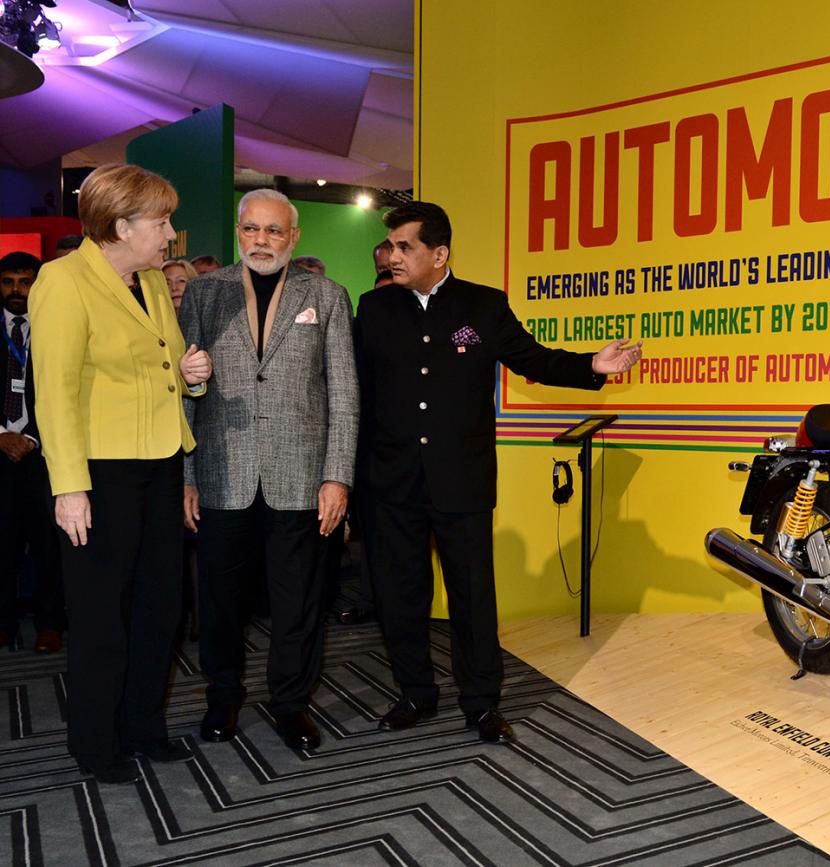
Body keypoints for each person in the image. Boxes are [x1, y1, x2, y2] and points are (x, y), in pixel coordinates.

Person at [353, 201, 641, 743]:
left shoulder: (483, 306)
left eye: (404, 246)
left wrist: (591, 367)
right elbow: (356, 396)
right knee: (400, 595)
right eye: (391, 246)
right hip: (389, 484)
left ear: (439, 254)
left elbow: (532, 359)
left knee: (473, 597)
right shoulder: (373, 309)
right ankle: (415, 692)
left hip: (461, 481)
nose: (393, 255)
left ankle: (481, 702)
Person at [30, 164, 212, 784]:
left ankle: (144, 727)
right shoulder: (62, 280)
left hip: (159, 463)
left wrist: (196, 378)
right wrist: (68, 486)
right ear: (120, 224)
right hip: (99, 474)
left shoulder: (153, 282)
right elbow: (52, 392)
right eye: (161, 222)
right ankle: (96, 741)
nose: (170, 234)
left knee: (160, 608)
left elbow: (168, 362)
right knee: (102, 615)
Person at [180, 189, 358, 753]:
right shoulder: (205, 293)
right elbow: (183, 387)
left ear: (294, 237)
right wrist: (186, 474)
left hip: (301, 476)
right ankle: (223, 697)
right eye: (252, 229)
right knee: (221, 600)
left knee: (298, 601)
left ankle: (290, 704)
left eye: (274, 231)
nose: (262, 240)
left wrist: (338, 475)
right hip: (220, 472)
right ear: (238, 231)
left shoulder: (327, 295)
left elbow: (344, 394)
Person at [0, 252, 63, 653]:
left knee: (48, 547)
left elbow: (68, 389)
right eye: (8, 281)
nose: (17, 290)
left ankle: (50, 624)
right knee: (1, 545)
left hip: (45, 456)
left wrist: (34, 437)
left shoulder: (56, 327)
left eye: (25, 281)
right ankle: (3, 624)